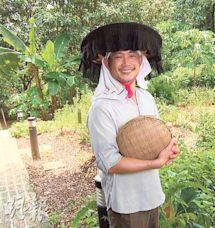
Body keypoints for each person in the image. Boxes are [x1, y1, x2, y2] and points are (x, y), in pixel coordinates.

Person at [79, 23, 179, 228]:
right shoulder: (102, 107)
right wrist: (155, 163)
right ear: (106, 63)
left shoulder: (146, 98)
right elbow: (110, 163)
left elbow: (155, 135)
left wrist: (169, 148)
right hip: (127, 206)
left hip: (152, 196)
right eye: (118, 56)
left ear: (141, 61)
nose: (126, 63)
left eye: (132, 55)